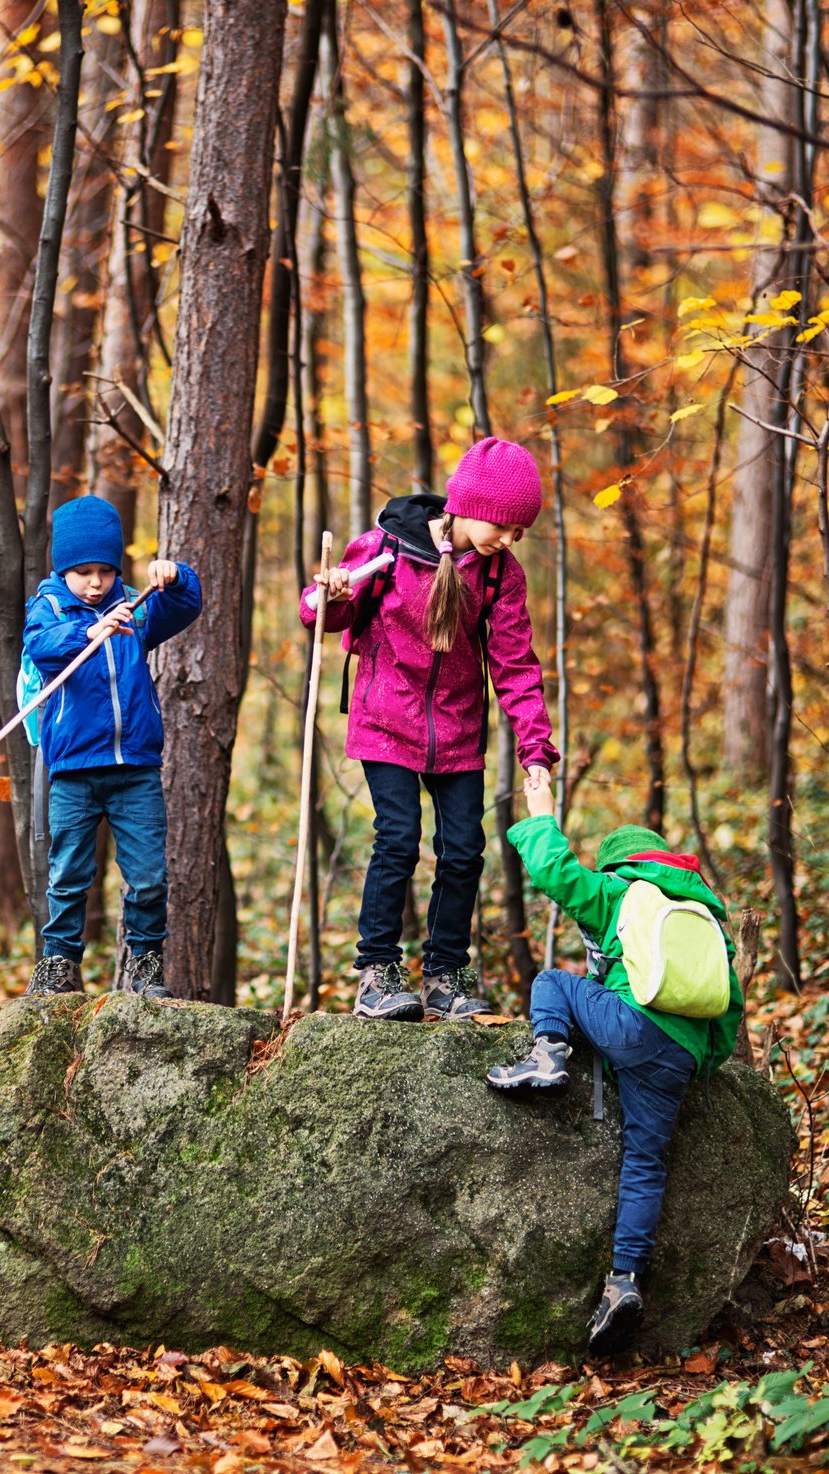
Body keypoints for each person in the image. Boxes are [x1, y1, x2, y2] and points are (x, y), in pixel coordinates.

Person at [488, 767, 747, 1355]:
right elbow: (728, 1009)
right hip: (679, 1057)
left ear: (620, 864)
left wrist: (539, 815)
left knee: (555, 979)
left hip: (632, 1026)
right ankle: (623, 1280)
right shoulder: (708, 919)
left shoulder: (622, 893)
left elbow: (556, 872)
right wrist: (700, 1065)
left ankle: (548, 1055)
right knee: (645, 1162)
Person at [301, 436, 558, 1023]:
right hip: (386, 719)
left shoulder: (500, 576)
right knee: (397, 837)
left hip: (459, 729)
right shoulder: (386, 547)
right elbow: (321, 614)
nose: (509, 539)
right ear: (467, 504)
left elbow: (516, 665)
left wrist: (535, 749)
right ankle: (377, 972)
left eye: (520, 531)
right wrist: (331, 592)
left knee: (465, 849)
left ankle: (445, 973)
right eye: (503, 524)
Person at [22, 496, 202, 999]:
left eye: (104, 570)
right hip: (75, 769)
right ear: (64, 569)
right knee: (68, 874)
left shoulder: (135, 609)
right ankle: (57, 964)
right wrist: (89, 630)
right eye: (83, 572)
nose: (96, 583)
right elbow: (42, 644)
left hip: (134, 768)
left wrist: (177, 575)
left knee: (147, 876)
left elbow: (186, 606)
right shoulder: (50, 606)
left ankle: (145, 966)